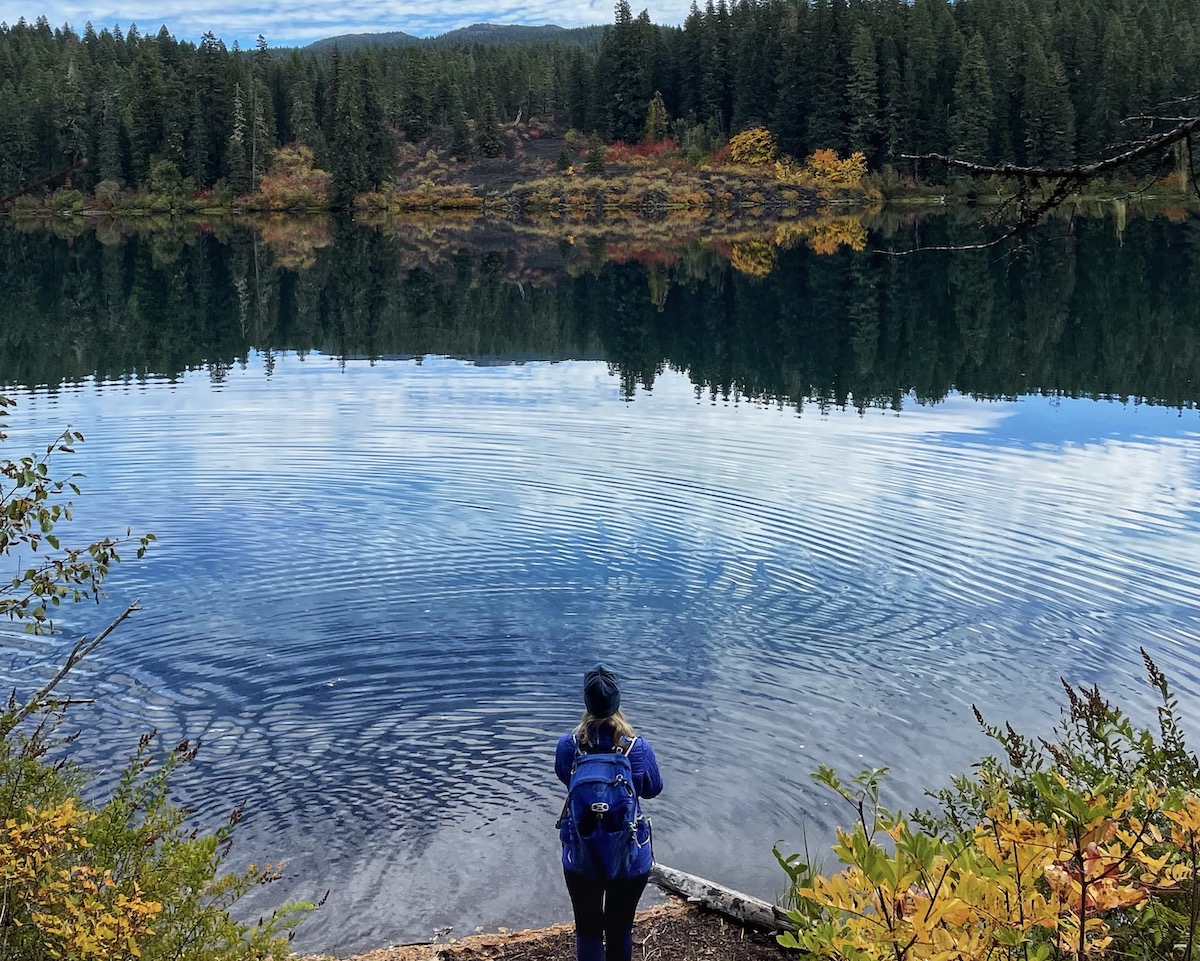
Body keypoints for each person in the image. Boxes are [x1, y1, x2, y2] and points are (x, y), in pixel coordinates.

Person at [555, 665, 663, 961]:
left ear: (586, 703)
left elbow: (567, 779)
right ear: (618, 702)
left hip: (582, 854)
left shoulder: (569, 746)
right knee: (619, 930)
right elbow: (653, 788)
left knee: (588, 930)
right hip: (630, 856)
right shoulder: (637, 748)